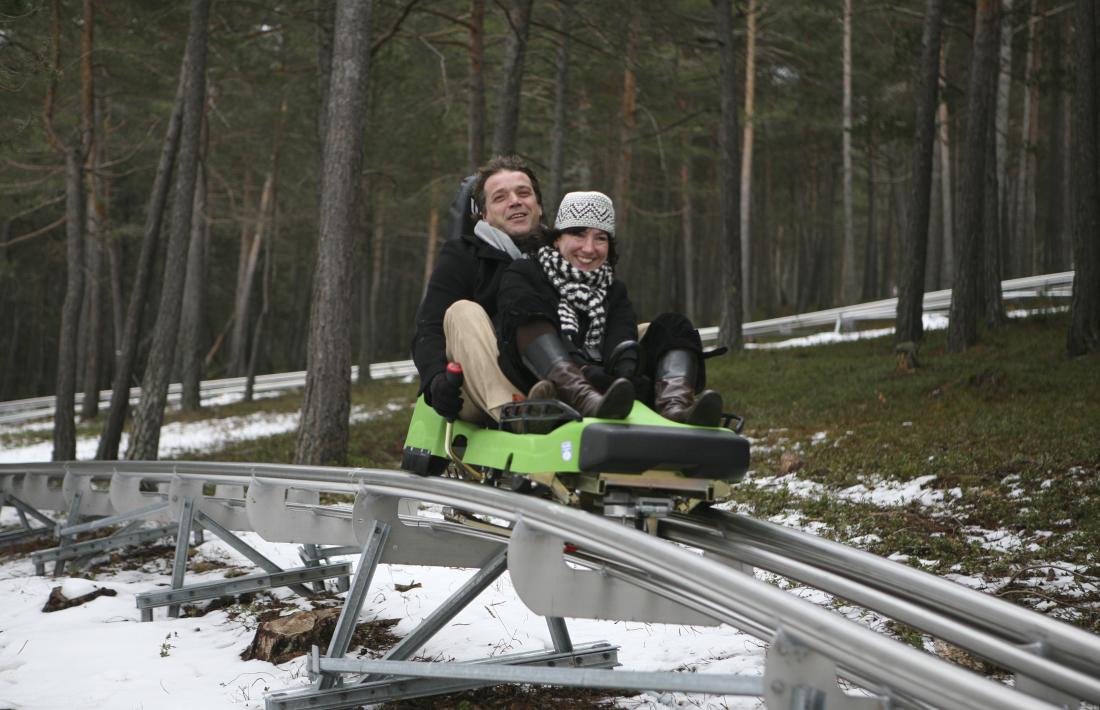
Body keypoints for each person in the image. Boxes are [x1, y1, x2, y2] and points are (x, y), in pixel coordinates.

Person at [496, 190, 724, 427]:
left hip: (608, 384)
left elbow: (621, 339)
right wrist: (584, 370)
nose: (589, 248)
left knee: (674, 325)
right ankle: (583, 398)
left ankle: (675, 408)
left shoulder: (613, 289)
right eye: (578, 234)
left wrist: (623, 375)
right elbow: (521, 327)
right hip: (546, 380)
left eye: (600, 238)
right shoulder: (526, 273)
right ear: (557, 238)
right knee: (527, 310)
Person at [411, 155, 551, 424]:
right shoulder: (463, 255)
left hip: (546, 380)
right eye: (500, 197)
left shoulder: (561, 256)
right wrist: (437, 380)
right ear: (484, 214)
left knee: (647, 331)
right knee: (464, 311)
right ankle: (515, 415)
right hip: (477, 391)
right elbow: (428, 329)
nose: (515, 201)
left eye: (524, 193)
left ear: (539, 206)